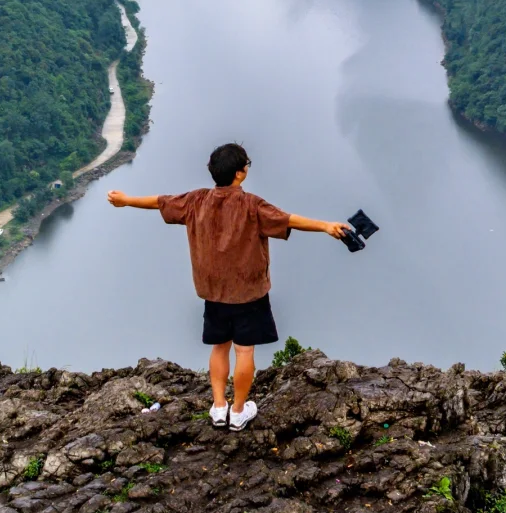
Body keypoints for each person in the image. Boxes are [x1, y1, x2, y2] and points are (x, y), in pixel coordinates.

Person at [107, 142, 350, 430]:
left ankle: (219, 406)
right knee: (244, 351)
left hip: (213, 293)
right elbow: (289, 220)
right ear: (239, 174)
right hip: (249, 293)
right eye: (246, 164)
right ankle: (238, 411)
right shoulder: (252, 205)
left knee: (219, 348)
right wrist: (325, 226)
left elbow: (160, 201)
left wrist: (125, 200)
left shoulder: (196, 201)